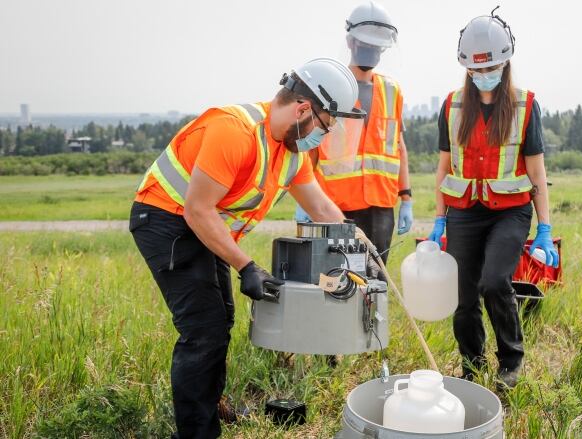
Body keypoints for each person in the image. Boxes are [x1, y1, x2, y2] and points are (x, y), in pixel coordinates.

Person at [130, 58, 363, 438]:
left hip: (202, 226)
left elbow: (321, 207)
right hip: (166, 221)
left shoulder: (290, 153)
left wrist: (357, 245)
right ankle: (196, 432)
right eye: (324, 126)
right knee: (203, 329)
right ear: (303, 108)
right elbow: (197, 208)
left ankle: (209, 404)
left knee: (221, 320)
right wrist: (247, 266)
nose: (322, 136)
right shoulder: (235, 131)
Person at [428, 8, 559, 389]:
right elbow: (442, 168)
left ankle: (511, 361)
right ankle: (471, 367)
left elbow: (537, 173)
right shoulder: (452, 106)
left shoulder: (525, 105)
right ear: (466, 68)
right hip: (464, 211)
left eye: (491, 67)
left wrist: (546, 228)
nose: (483, 75)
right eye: (475, 70)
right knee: (464, 295)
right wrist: (438, 220)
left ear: (506, 62)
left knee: (494, 280)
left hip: (510, 213)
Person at [297, 0, 413, 270]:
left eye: (377, 47)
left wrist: (406, 197)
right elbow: (310, 146)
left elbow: (398, 145)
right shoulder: (331, 85)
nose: (371, 52)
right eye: (365, 45)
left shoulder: (392, 90)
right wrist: (305, 197)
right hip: (334, 202)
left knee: (374, 278)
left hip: (381, 204)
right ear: (350, 42)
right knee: (335, 278)